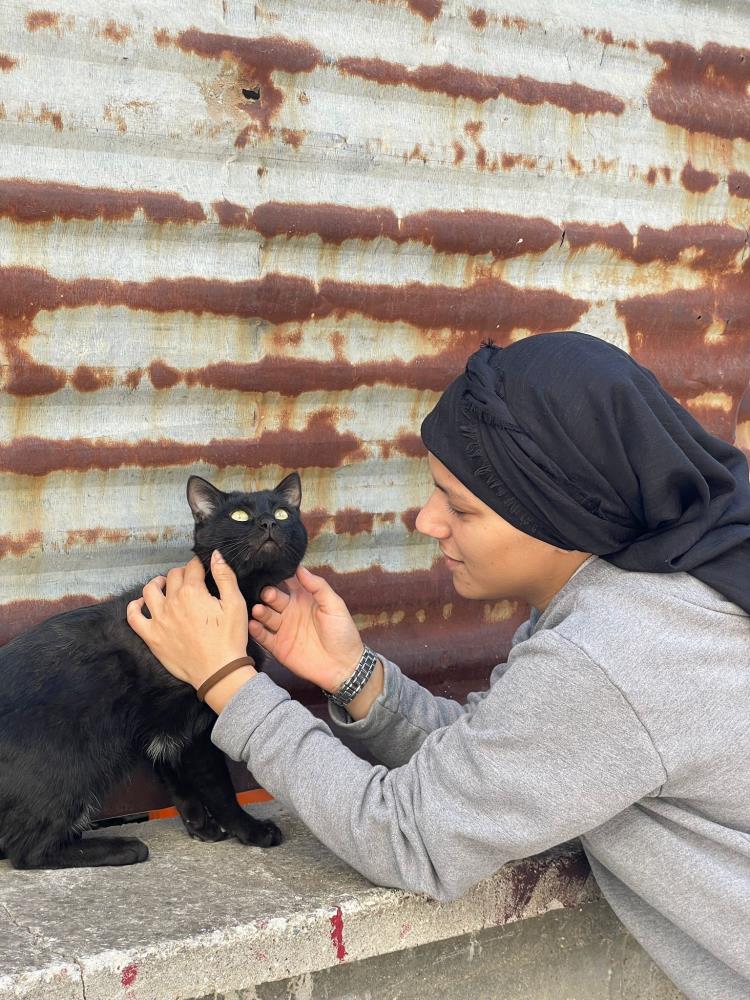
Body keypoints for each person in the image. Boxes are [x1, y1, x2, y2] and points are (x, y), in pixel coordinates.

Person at [127, 332, 750, 1000]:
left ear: (558, 512)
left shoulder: (614, 653)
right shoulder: (662, 584)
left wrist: (228, 683)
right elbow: (500, 764)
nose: (426, 520)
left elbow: (410, 836)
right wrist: (352, 675)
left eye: (460, 505)